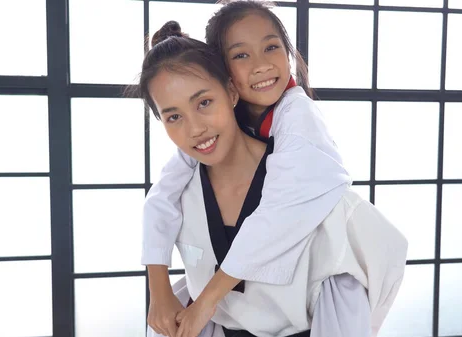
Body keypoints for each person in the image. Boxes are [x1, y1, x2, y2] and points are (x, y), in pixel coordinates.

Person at [136, 17, 407, 337]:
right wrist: (160, 289)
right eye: (174, 117)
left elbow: (354, 285)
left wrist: (206, 301)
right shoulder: (181, 189)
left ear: (231, 92)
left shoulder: (307, 183)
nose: (195, 129)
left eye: (204, 102)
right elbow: (158, 204)